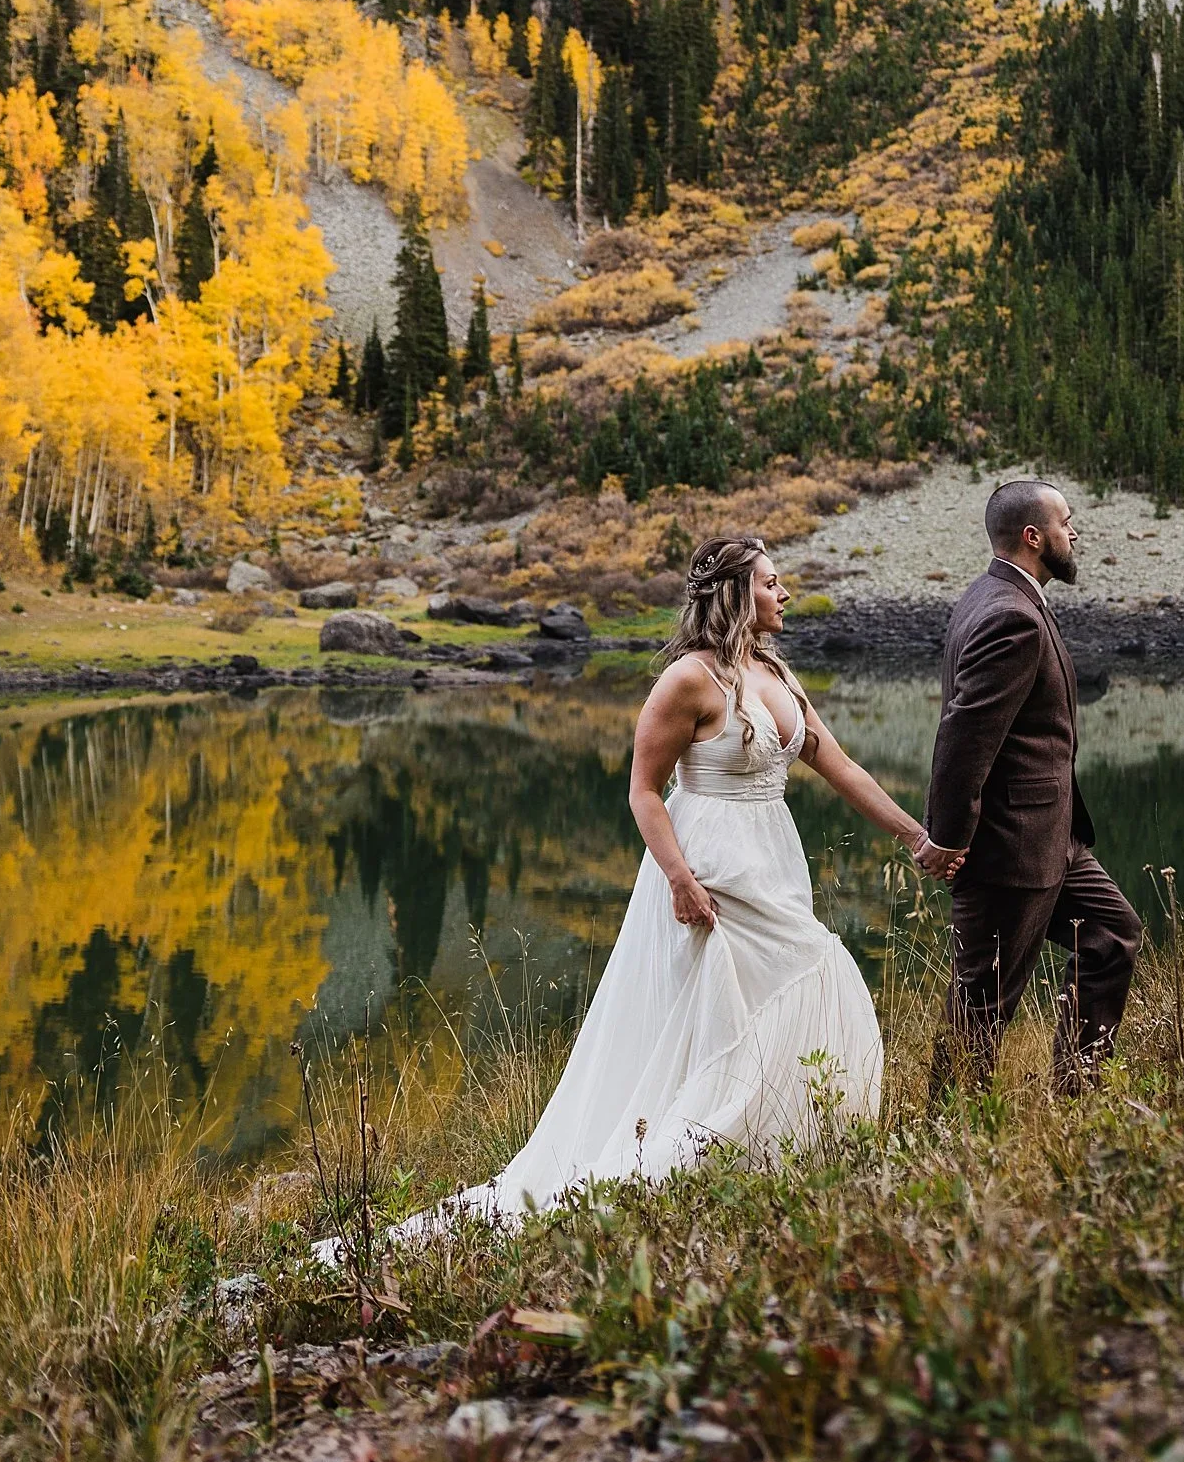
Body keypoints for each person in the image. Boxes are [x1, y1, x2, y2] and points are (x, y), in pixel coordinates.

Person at [366, 532, 947, 1238]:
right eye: (769, 582)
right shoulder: (688, 680)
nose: (783, 592)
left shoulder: (778, 675)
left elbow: (843, 767)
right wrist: (678, 877)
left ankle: (770, 1156)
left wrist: (915, 836)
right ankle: (684, 1161)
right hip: (708, 863)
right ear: (736, 594)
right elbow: (643, 790)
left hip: (773, 861)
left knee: (812, 982)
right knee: (722, 1014)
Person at [920, 478, 1142, 1101]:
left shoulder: (1002, 598)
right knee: (984, 1003)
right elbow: (965, 738)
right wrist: (948, 840)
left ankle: (1075, 1093)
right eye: (1068, 523)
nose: (1075, 535)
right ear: (1033, 536)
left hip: (1054, 837)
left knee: (1111, 935)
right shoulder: (1010, 616)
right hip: (1007, 851)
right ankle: (944, 1135)